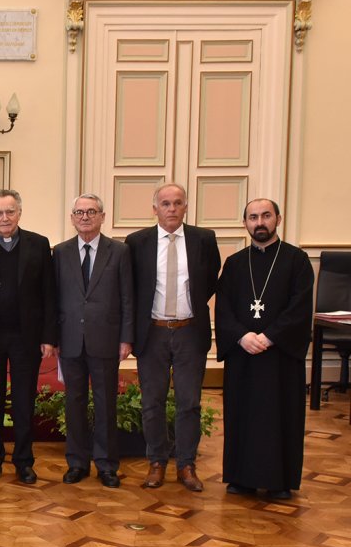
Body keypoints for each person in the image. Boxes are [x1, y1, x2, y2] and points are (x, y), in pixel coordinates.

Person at [215, 198, 314, 500]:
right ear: (245, 223)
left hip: (280, 356)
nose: (260, 222)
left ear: (278, 220)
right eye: (253, 217)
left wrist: (270, 337)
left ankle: (279, 480)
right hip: (243, 354)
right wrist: (242, 336)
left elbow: (300, 308)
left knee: (280, 416)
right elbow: (223, 310)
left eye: (266, 216)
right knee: (242, 415)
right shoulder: (234, 264)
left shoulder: (297, 261)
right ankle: (240, 477)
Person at [125, 183, 220, 492]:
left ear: (186, 207)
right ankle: (156, 462)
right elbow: (132, 289)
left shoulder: (203, 239)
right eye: (165, 204)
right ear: (155, 209)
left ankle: (186, 464)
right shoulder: (137, 242)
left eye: (177, 203)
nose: (171, 209)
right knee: (152, 402)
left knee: (189, 403)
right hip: (152, 333)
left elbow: (209, 280)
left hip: (189, 332)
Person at [0, 190, 56, 484]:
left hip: (25, 338)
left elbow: (49, 294)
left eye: (10, 211)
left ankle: (23, 461)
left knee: (22, 402)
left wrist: (48, 336)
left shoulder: (39, 245)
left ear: (19, 212)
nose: (4, 218)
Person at [53, 194, 134, 488]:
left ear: (102, 216)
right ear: (72, 217)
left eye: (91, 212)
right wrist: (53, 337)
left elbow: (128, 298)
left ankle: (106, 464)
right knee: (73, 403)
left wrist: (126, 338)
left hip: (107, 340)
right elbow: (54, 299)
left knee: (105, 404)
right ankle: (76, 462)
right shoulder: (60, 253)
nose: (85, 217)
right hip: (70, 340)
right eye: (79, 212)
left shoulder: (120, 252)